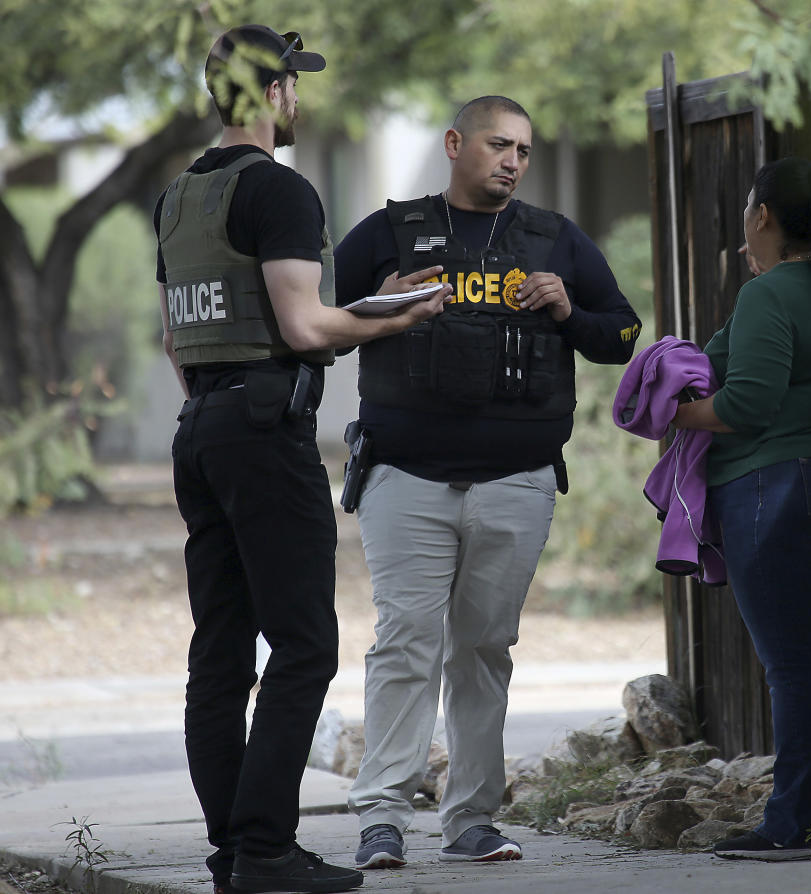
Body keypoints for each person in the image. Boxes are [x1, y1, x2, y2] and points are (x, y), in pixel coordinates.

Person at [154, 25, 449, 894]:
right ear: (277, 93)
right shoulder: (278, 188)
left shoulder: (178, 197)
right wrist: (394, 318)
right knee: (305, 645)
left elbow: (181, 335)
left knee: (220, 654)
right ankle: (267, 851)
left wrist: (352, 307)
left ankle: (232, 851)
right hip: (263, 434)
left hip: (202, 427)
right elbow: (303, 328)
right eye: (295, 85)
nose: (299, 100)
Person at [333, 95, 642, 869]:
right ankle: (382, 819)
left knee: (483, 648)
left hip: (517, 481)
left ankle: (471, 821)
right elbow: (315, 324)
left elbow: (625, 335)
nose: (513, 161)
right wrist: (385, 301)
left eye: (524, 151)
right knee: (406, 642)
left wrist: (571, 309)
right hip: (406, 477)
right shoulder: (389, 232)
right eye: (499, 145)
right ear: (454, 144)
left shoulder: (553, 239)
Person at [673, 156, 811, 861]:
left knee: (791, 667)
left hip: (774, 485)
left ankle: (789, 824)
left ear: (763, 217)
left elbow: (749, 404)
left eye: (746, 220)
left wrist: (677, 413)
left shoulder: (770, 295)